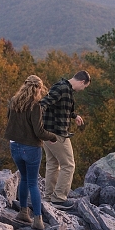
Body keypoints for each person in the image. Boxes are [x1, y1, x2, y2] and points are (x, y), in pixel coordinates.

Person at [3, 75, 57, 230]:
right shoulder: (35, 105)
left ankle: (23, 212)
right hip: (31, 148)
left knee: (24, 178)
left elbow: (10, 120)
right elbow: (39, 131)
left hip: (14, 146)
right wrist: (52, 137)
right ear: (38, 88)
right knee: (33, 182)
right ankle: (38, 220)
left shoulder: (14, 101)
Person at [40, 70, 90, 209]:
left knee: (52, 164)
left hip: (49, 133)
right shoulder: (61, 88)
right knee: (69, 165)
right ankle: (59, 199)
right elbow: (43, 103)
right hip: (56, 134)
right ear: (82, 82)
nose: (83, 89)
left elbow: (60, 107)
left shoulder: (65, 88)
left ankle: (49, 197)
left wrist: (74, 116)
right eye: (84, 87)